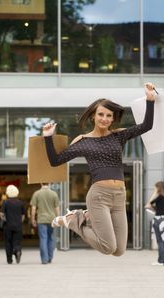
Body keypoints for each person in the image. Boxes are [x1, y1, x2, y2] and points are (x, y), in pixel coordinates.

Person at [42, 83, 156, 256]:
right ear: (93, 117)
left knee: (119, 251)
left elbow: (146, 126)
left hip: (119, 196)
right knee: (108, 247)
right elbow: (55, 161)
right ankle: (72, 220)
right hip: (99, 196)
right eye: (101, 114)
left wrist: (150, 100)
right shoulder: (84, 141)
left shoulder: (119, 136)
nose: (104, 118)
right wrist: (48, 138)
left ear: (113, 119)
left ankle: (83, 218)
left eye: (109, 115)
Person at [30, 183, 60, 264]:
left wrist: (33, 219)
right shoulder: (54, 194)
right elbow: (57, 208)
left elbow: (33, 208)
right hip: (51, 219)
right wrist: (58, 219)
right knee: (50, 238)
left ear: (41, 183)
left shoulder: (36, 193)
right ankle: (50, 257)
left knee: (43, 238)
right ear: (49, 183)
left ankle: (44, 259)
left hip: (41, 219)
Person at [145, 181, 164, 266]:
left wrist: (154, 193)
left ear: (158, 188)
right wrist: (156, 209)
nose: (154, 189)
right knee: (163, 240)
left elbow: (148, 204)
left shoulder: (159, 197)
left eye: (155, 187)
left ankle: (160, 261)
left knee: (160, 241)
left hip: (158, 220)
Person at [0, 185, 25, 264]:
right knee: (17, 241)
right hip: (18, 226)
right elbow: (23, 215)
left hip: (8, 226)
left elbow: (1, 214)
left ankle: (9, 259)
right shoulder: (20, 203)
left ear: (7, 193)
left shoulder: (5, 202)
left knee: (8, 242)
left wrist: (4, 220)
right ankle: (17, 250)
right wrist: (20, 222)